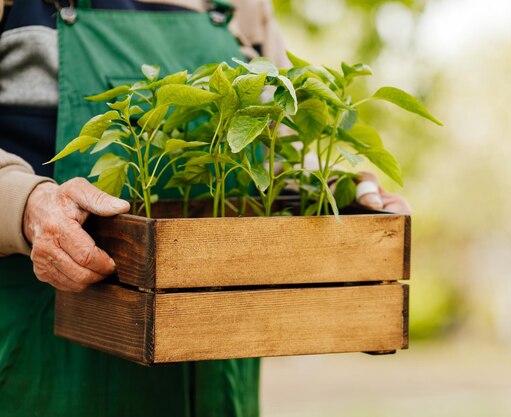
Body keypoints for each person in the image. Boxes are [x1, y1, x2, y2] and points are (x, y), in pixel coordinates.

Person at [0, 1, 410, 416]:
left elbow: (282, 142)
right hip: (45, 354)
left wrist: (333, 188)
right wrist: (27, 205)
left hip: (218, 362)